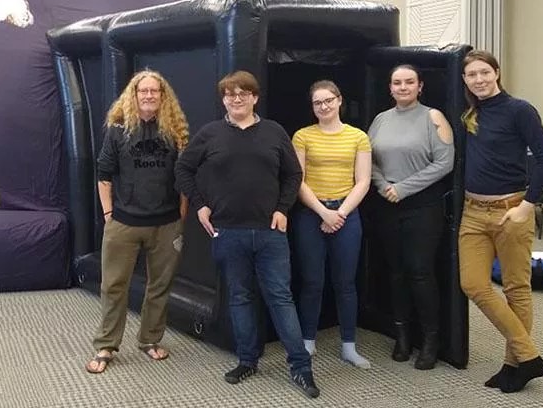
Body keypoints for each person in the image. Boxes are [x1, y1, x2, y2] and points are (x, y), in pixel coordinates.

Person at [175, 70, 319, 399]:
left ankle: (301, 367)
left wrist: (283, 208)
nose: (236, 98)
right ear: (223, 99)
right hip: (227, 233)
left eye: (243, 93)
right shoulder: (210, 134)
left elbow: (293, 174)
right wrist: (199, 205)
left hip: (270, 232)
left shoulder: (273, 132)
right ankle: (247, 360)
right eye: (229, 94)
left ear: (255, 97)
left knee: (280, 299)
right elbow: (183, 168)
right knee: (239, 298)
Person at [458, 49, 543, 392]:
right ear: (465, 80)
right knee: (473, 284)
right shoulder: (470, 112)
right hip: (473, 212)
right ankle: (529, 355)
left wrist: (528, 205)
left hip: (511, 210)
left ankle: (514, 365)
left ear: (496, 73)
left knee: (516, 289)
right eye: (472, 75)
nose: (479, 79)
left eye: (485, 72)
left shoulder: (519, 110)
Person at [85, 70, 189, 374]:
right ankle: (106, 345)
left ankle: (150, 340)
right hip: (124, 222)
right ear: (133, 95)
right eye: (142, 91)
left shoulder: (176, 132)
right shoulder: (118, 130)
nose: (148, 96)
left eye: (154, 91)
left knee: (160, 286)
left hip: (166, 224)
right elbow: (103, 176)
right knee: (114, 286)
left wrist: (181, 215)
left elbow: (184, 178)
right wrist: (108, 215)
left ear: (162, 96)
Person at [368, 65, 454, 370]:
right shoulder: (380, 120)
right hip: (386, 205)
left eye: (409, 82)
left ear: (420, 86)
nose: (403, 87)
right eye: (397, 83)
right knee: (396, 273)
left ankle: (431, 340)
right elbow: (368, 160)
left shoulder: (433, 118)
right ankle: (402, 337)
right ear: (390, 88)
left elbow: (444, 163)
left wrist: (403, 188)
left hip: (423, 206)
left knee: (420, 272)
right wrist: (382, 186)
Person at [291, 80, 372, 369]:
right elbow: (297, 180)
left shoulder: (358, 137)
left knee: (346, 283)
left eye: (328, 100)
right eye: (317, 103)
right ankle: (308, 342)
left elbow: (363, 181)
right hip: (311, 213)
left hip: (347, 214)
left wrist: (340, 214)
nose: (323, 106)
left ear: (339, 101)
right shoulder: (302, 136)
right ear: (312, 107)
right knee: (312, 282)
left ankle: (348, 346)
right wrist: (323, 213)